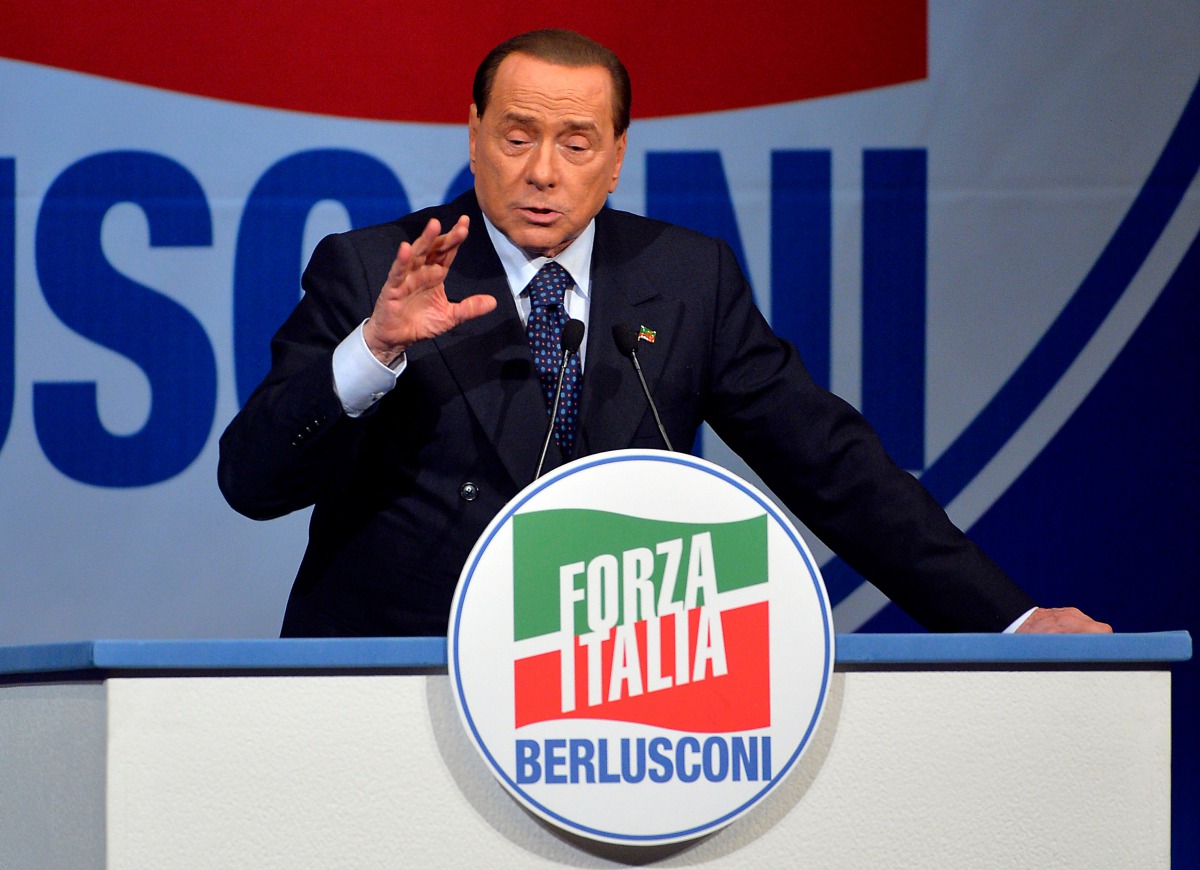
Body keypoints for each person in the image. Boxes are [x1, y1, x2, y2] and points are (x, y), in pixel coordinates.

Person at [218, 29, 1109, 638]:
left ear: (615, 156)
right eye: (517, 135)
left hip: (617, 691)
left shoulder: (686, 278)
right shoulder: (379, 267)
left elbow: (832, 467)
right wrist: (374, 350)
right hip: (399, 681)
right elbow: (252, 480)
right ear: (475, 133)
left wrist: (1008, 620)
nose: (541, 171)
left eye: (575, 143)